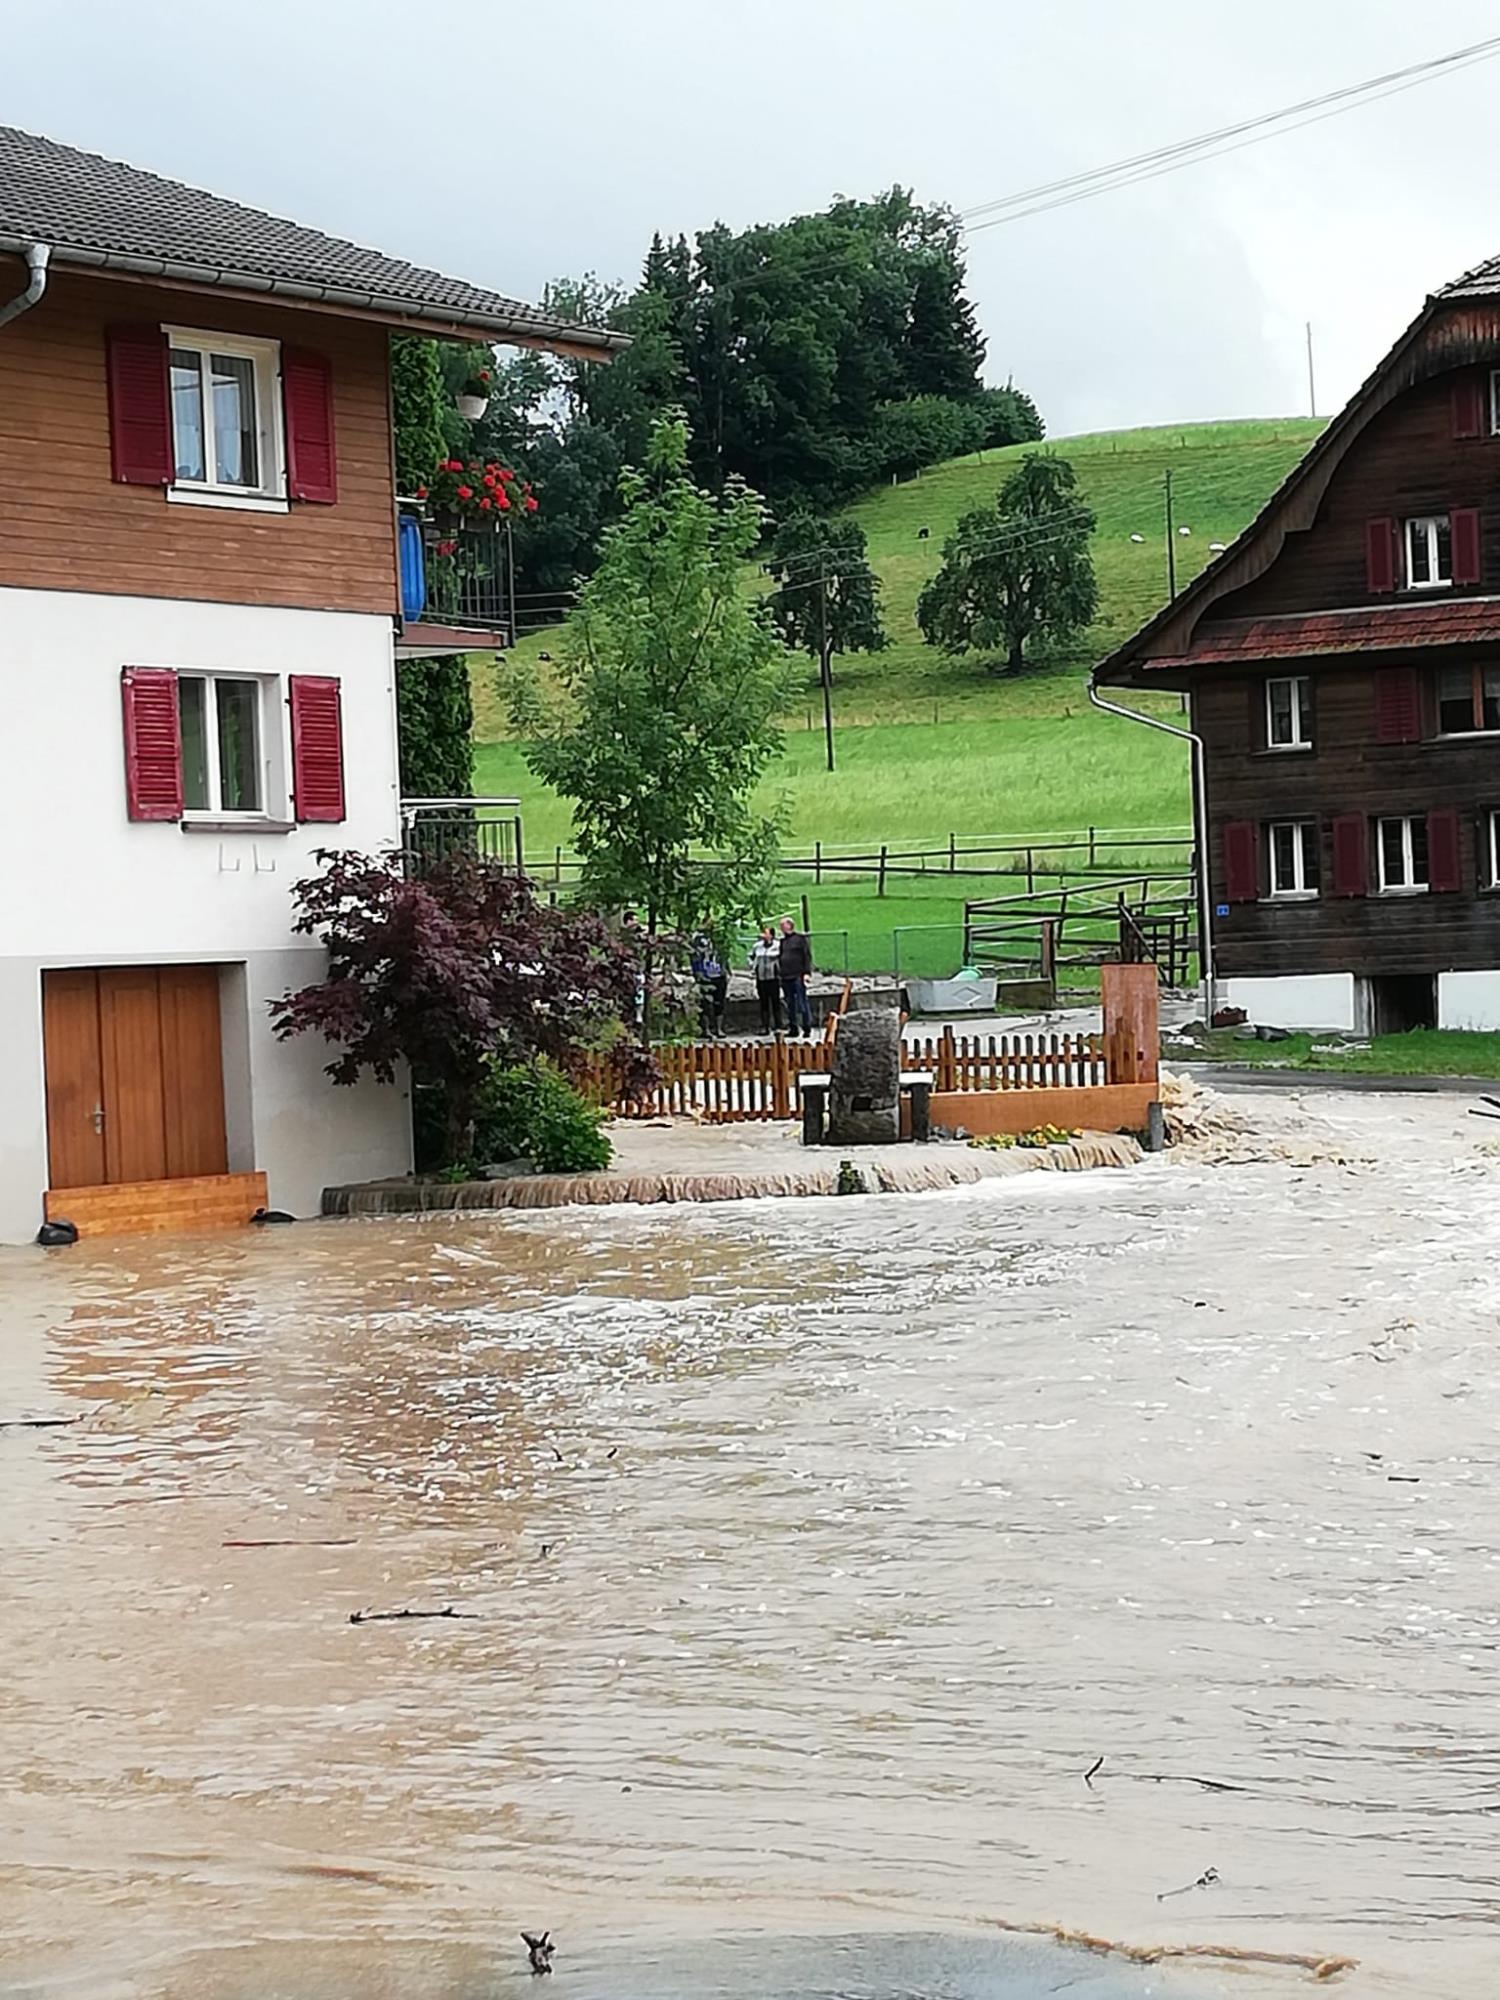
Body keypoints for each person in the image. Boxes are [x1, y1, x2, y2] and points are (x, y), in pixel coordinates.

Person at [777, 915, 814, 1037]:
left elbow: (806, 956)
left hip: (798, 975)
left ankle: (806, 1027)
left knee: (801, 1002)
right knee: (790, 1003)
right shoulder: (783, 942)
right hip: (785, 976)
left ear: (789, 925)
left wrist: (807, 972)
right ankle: (793, 1028)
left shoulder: (800, 939)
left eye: (783, 925)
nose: (781, 927)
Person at [690, 932, 727, 1039]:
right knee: (705, 1005)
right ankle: (706, 1029)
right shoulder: (696, 954)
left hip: (719, 978)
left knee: (719, 1004)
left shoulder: (719, 952)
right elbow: (696, 967)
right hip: (705, 979)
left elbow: (723, 965)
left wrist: (725, 973)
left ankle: (719, 1029)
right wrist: (700, 976)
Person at [749, 924, 782, 1035]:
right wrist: (753, 966)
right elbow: (750, 956)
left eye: (765, 933)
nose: (763, 935)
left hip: (774, 978)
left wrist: (779, 968)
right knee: (764, 1002)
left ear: (771, 935)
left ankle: (778, 1025)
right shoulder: (757, 946)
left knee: (775, 1001)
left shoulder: (778, 945)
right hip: (761, 978)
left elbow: (782, 957)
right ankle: (765, 1026)